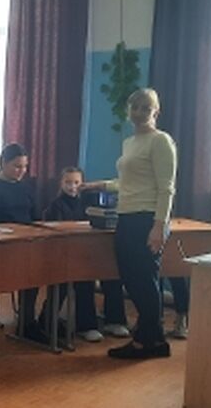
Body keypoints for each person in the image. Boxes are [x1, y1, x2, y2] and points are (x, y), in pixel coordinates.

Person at [82, 88, 177, 359]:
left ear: (156, 112)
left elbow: (166, 188)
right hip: (126, 216)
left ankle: (147, 341)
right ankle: (153, 339)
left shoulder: (161, 141)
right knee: (131, 278)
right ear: (128, 110)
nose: (139, 113)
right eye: (135, 107)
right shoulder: (130, 143)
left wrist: (159, 226)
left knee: (144, 280)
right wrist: (98, 185)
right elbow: (126, 182)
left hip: (147, 218)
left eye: (146, 108)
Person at [42, 166, 130, 343]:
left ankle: (114, 320)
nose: (72, 187)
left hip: (93, 253)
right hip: (69, 256)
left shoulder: (89, 201)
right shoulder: (55, 206)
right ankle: (86, 326)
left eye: (76, 182)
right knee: (84, 281)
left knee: (112, 276)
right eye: (68, 182)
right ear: (61, 183)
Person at [0, 144, 47, 343]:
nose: (21, 171)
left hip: (26, 245)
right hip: (1, 249)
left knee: (45, 265)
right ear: (3, 163)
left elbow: (36, 218)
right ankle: (27, 322)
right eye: (17, 166)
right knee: (31, 270)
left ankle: (42, 318)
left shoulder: (25, 188)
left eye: (24, 167)